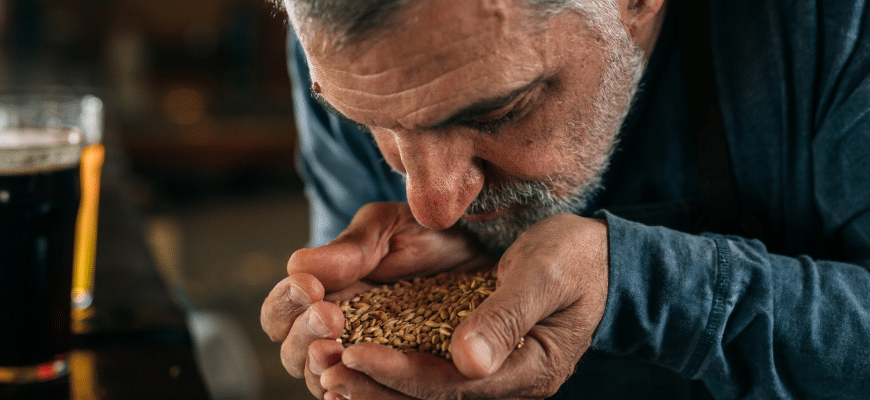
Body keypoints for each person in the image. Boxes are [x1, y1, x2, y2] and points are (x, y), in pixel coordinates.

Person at [259, 0, 870, 398]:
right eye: (374, 127)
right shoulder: (367, 59)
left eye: (496, 110)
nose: (432, 205)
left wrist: (638, 283)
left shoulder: (833, 27)